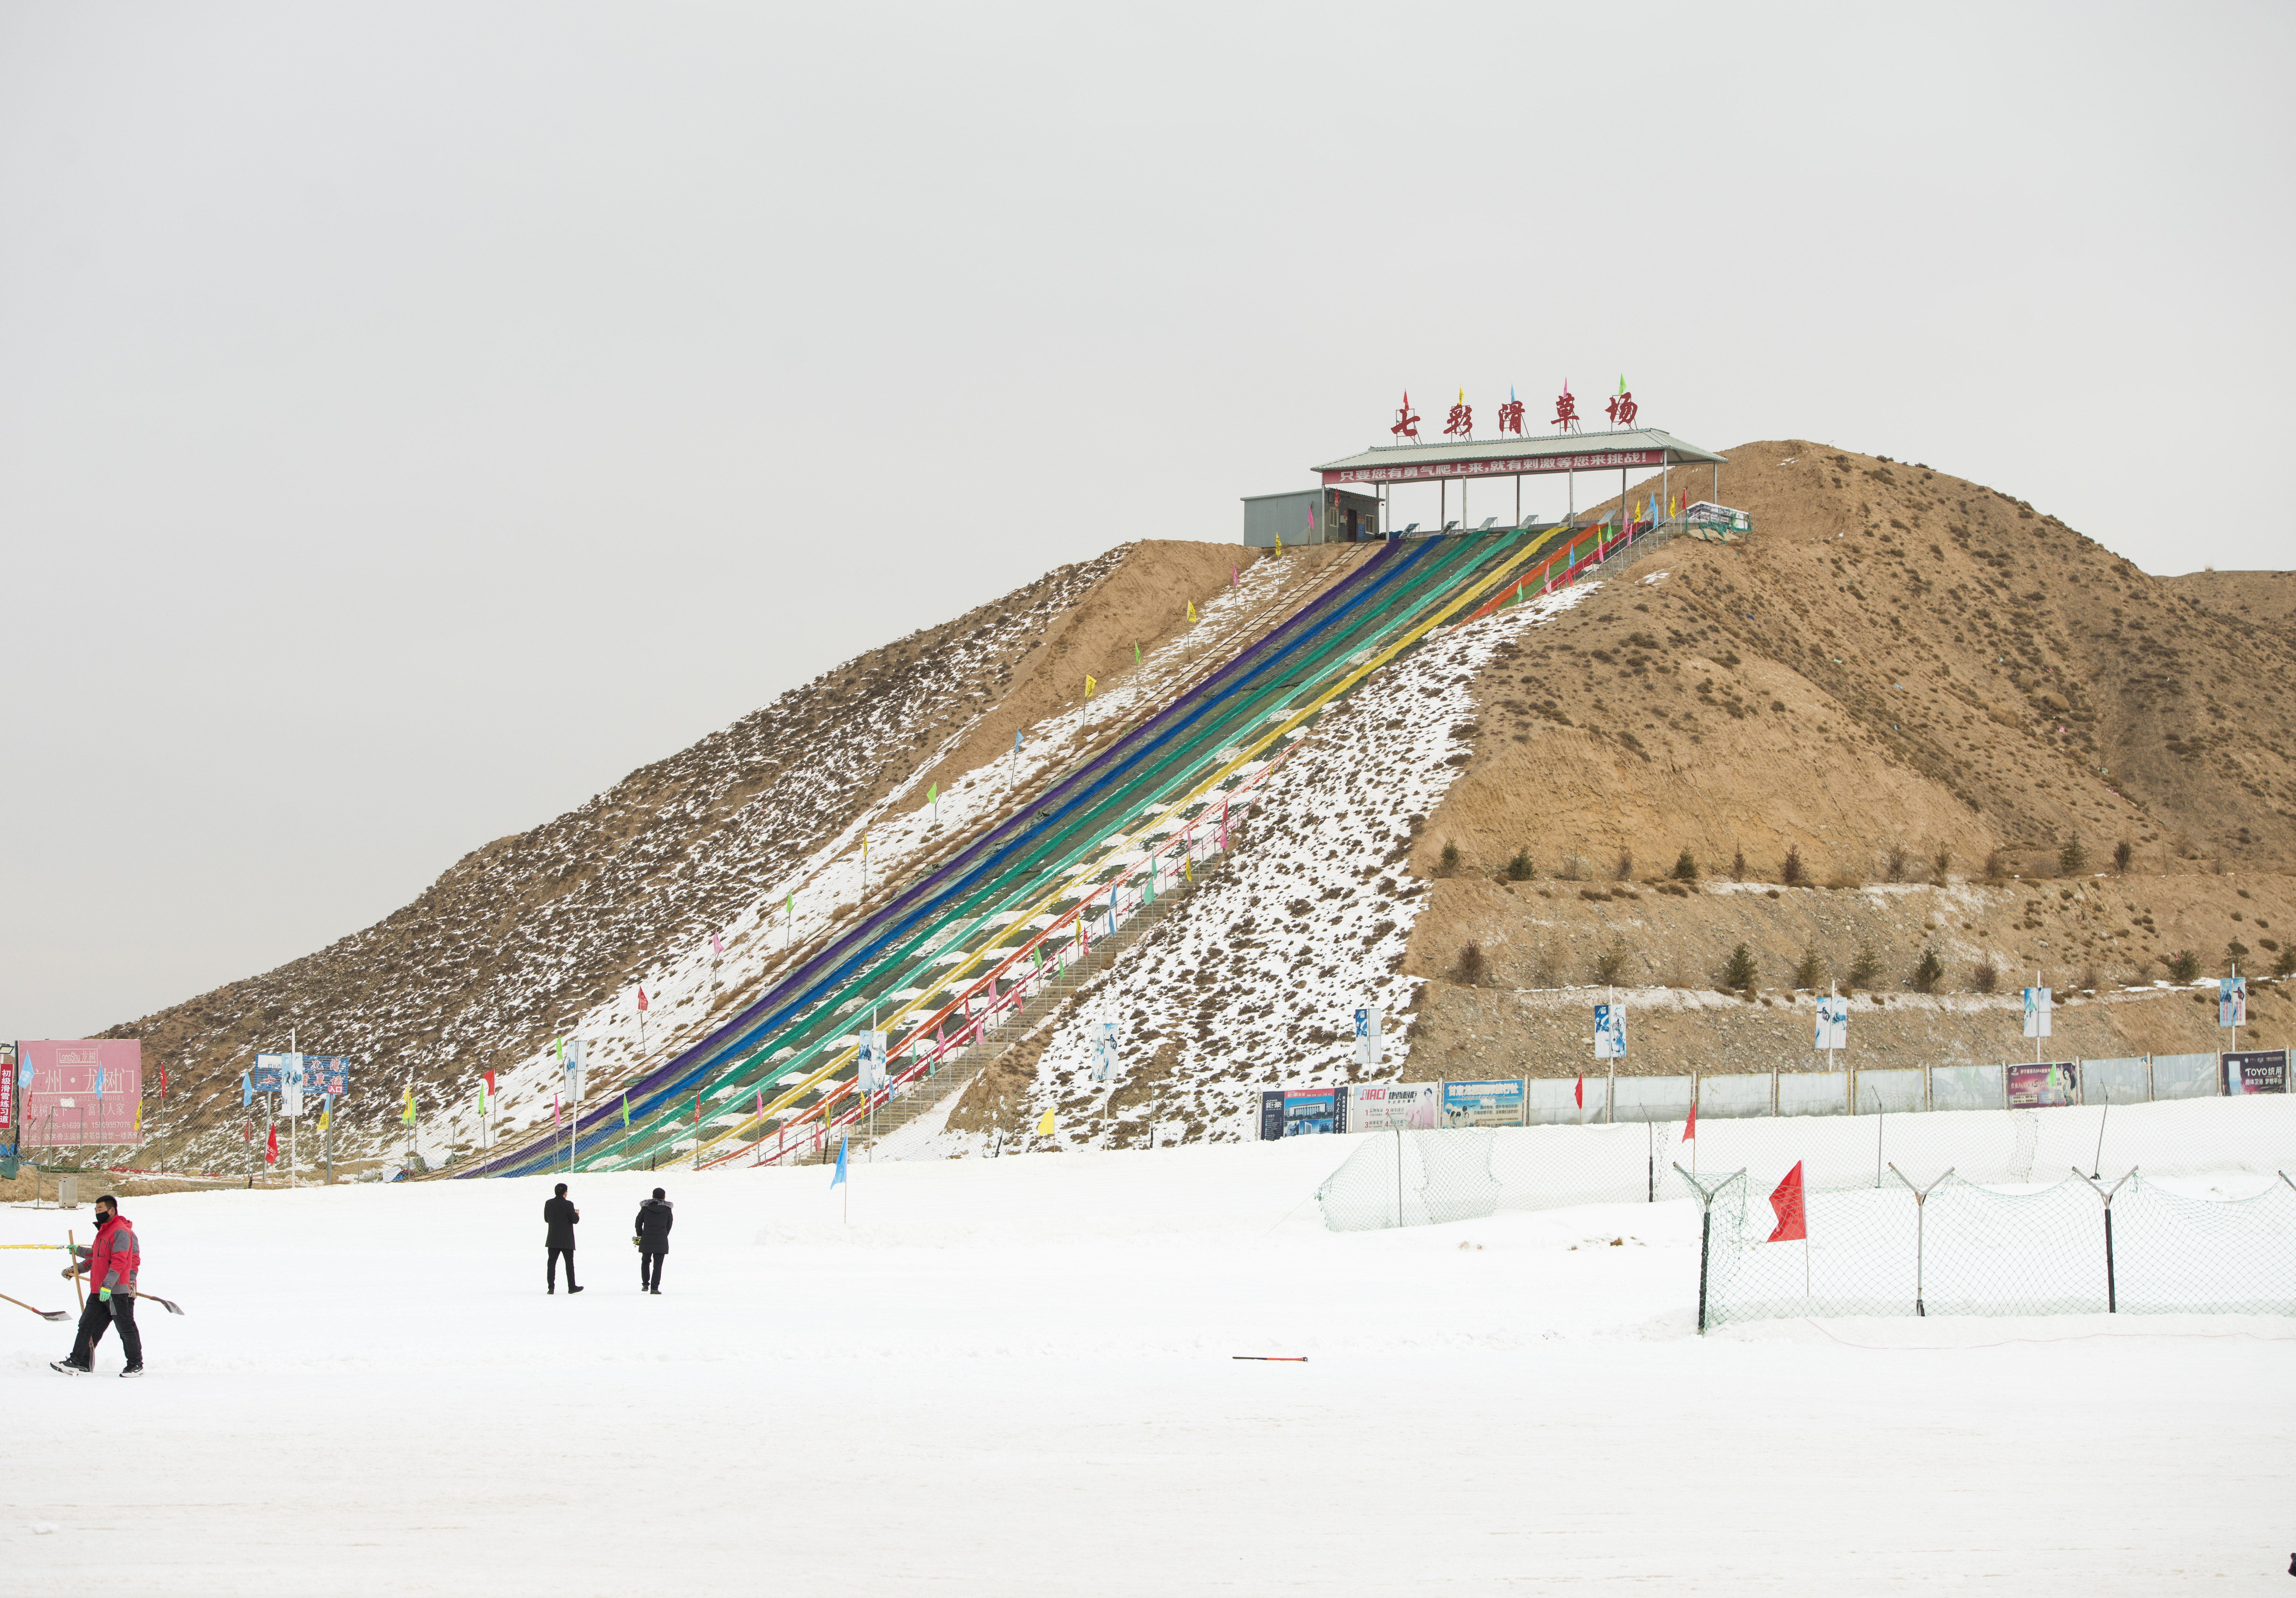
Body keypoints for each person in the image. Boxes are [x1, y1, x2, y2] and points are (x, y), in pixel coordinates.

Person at [51, 1194, 143, 1377]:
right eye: (95, 1210)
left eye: (100, 1210)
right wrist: (77, 1261)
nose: (97, 1213)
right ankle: (78, 1362)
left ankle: (136, 1364)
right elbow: (97, 1258)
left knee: (125, 1328)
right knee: (87, 1326)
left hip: (116, 1290)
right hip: (98, 1291)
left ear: (112, 1210)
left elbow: (123, 1262)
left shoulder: (123, 1232)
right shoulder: (103, 1232)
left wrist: (120, 1284)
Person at [544, 1182, 582, 1294]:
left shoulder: (548, 1203)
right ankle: (572, 1287)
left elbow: (547, 1219)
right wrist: (576, 1214)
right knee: (569, 1264)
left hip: (553, 1239)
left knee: (551, 1264)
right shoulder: (569, 1205)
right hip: (567, 1240)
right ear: (565, 1193)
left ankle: (551, 1288)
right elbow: (575, 1220)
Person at [634, 1187, 673, 1294]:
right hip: (661, 1240)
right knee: (658, 1266)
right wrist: (664, 1235)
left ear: (652, 1197)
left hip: (646, 1239)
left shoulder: (645, 1209)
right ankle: (655, 1288)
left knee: (646, 1262)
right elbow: (669, 1225)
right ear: (664, 1198)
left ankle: (646, 1285)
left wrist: (640, 1236)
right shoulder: (668, 1210)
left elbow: (638, 1223)